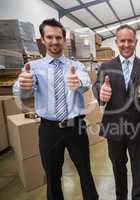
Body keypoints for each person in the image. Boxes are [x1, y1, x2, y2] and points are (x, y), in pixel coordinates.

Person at [13, 18, 98, 200]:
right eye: (49, 37)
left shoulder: (77, 66)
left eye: (58, 37)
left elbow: (85, 82)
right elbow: (20, 88)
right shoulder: (33, 68)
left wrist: (79, 82)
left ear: (64, 39)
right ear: (43, 39)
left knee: (85, 172)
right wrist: (24, 85)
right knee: (52, 176)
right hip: (49, 129)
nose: (54, 41)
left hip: (76, 128)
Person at [92, 24, 140, 200]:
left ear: (136, 42)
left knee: (138, 171)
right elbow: (97, 85)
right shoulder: (106, 67)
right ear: (116, 42)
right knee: (118, 168)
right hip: (113, 128)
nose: (126, 44)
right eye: (122, 41)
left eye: (130, 41)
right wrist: (101, 92)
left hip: (137, 128)